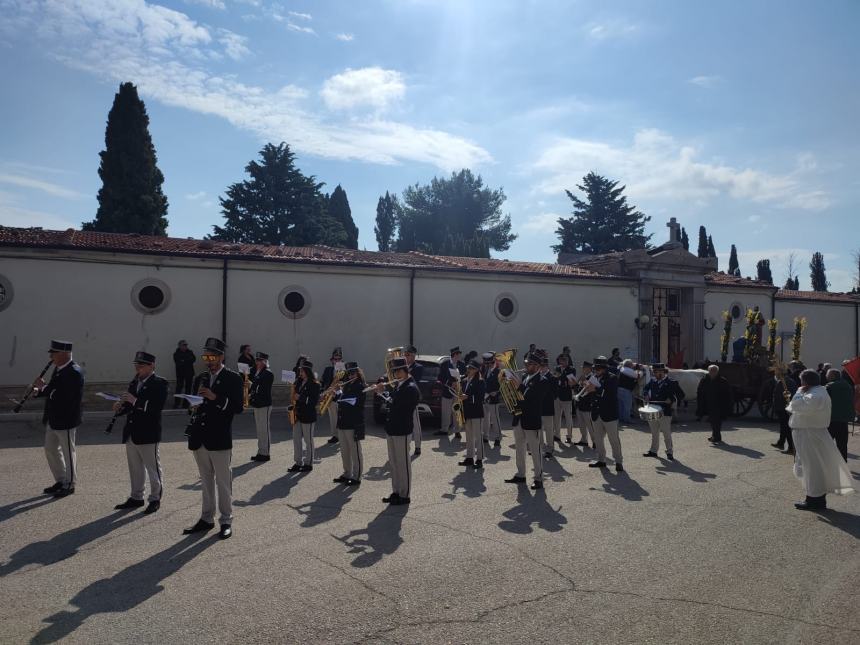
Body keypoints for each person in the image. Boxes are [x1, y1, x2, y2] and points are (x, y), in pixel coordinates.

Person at [184, 337, 243, 540]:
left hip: (219, 438)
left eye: (212, 356)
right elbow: (193, 404)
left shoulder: (233, 378)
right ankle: (206, 518)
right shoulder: (199, 377)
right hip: (199, 437)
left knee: (223, 482)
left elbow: (237, 408)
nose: (208, 361)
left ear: (221, 356)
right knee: (206, 481)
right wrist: (192, 405)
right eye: (206, 356)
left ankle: (226, 520)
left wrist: (214, 397)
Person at [786, 370, 854, 510]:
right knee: (810, 466)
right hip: (808, 433)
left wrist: (796, 396)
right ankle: (815, 498)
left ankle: (814, 500)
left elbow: (801, 406)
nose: (800, 384)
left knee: (813, 467)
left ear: (806, 381)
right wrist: (797, 395)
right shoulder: (816, 391)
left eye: (802, 381)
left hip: (810, 434)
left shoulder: (816, 394)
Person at [113, 351, 168, 514]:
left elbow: (156, 407)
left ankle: (155, 498)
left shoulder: (160, 383)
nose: (138, 368)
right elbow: (130, 406)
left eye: (141, 365)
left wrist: (134, 400)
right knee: (135, 467)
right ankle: (136, 497)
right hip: (132, 430)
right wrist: (120, 408)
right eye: (136, 365)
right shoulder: (134, 382)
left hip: (149, 431)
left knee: (153, 468)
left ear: (152, 366)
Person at [36, 340, 84, 498]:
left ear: (64, 354)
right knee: (50, 449)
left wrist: (44, 389)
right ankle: (61, 479)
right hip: (53, 418)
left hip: (66, 419)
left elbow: (64, 396)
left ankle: (70, 484)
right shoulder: (58, 369)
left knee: (68, 452)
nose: (51, 356)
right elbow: (53, 389)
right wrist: (41, 389)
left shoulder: (74, 372)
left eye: (53, 353)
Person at [377, 357, 419, 505]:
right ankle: (396, 491)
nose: (394, 374)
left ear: (405, 370)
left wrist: (383, 392)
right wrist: (383, 393)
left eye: (397, 371)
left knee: (403, 463)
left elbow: (398, 405)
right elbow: (392, 401)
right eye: (393, 371)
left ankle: (405, 494)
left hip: (402, 429)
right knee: (394, 463)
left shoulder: (411, 387)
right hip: (392, 428)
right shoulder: (399, 385)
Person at [505, 352, 548, 489]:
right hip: (519, 418)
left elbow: (531, 397)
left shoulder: (542, 381)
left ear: (537, 366)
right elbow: (519, 396)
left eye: (529, 364)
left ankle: (538, 478)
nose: (526, 366)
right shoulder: (524, 377)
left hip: (532, 420)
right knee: (519, 448)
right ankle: (521, 474)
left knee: (535, 450)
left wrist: (517, 384)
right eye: (526, 363)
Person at [586, 356, 623, 471]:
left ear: (604, 368)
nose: (596, 371)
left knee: (614, 439)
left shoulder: (612, 378)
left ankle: (618, 461)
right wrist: (586, 388)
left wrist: (594, 389)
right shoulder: (594, 378)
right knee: (598, 439)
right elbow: (592, 395)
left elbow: (610, 394)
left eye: (598, 369)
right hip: (596, 413)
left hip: (609, 414)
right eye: (595, 369)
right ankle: (601, 460)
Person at [642, 363, 685, 460]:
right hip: (652, 410)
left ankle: (669, 451)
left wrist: (672, 399)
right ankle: (653, 451)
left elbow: (681, 395)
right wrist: (646, 395)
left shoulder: (672, 382)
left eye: (659, 372)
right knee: (654, 432)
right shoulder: (652, 381)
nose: (657, 374)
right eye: (655, 372)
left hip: (665, 412)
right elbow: (645, 389)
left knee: (666, 433)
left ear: (664, 372)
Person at [333, 362, 366, 486]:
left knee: (355, 450)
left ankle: (356, 476)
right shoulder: (346, 386)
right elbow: (341, 400)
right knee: (344, 450)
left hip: (353, 422)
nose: (351, 375)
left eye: (353, 373)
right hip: (342, 422)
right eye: (349, 373)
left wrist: (340, 396)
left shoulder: (361, 386)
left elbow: (354, 403)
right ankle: (347, 473)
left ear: (358, 373)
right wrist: (335, 394)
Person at [287, 363, 320, 473]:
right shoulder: (299, 382)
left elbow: (313, 402)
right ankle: (298, 462)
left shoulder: (315, 384)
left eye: (302, 371)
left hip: (308, 415)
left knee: (308, 440)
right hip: (298, 414)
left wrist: (300, 397)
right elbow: (294, 396)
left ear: (307, 372)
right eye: (299, 371)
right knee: (296, 440)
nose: (300, 373)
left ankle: (308, 463)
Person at [459, 359, 486, 469]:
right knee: (469, 436)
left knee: (478, 436)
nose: (468, 370)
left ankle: (479, 459)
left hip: (476, 412)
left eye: (471, 368)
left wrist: (468, 397)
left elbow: (480, 397)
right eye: (468, 368)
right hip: (467, 411)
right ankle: (469, 457)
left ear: (476, 370)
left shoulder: (480, 381)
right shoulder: (464, 380)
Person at [696, 365, 733, 444]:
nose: (712, 372)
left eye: (714, 371)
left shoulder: (723, 381)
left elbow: (728, 394)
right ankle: (716, 436)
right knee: (712, 421)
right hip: (708, 404)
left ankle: (715, 437)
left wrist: (727, 405)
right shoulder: (705, 380)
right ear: (708, 371)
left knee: (716, 421)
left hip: (719, 405)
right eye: (711, 371)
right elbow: (699, 390)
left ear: (717, 372)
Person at [249, 351, 274, 462]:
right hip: (257, 403)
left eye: (259, 360)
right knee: (259, 430)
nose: (257, 362)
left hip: (264, 404)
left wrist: (251, 385)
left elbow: (262, 388)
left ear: (264, 362)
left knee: (264, 429)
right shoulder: (256, 372)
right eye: (256, 360)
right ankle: (260, 451)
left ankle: (266, 453)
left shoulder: (268, 373)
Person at [436, 347, 465, 438]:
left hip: (457, 392)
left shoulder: (462, 364)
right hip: (447, 391)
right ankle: (444, 429)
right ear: (454, 355)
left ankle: (457, 430)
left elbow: (465, 376)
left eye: (459, 354)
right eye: (458, 354)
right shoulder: (445, 364)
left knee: (456, 411)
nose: (459, 356)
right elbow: (440, 377)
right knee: (446, 412)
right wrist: (450, 383)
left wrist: (459, 382)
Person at [825, 368, 853, 462]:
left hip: (831, 419)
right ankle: (843, 463)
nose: (826, 376)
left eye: (828, 374)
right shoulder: (848, 385)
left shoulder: (829, 386)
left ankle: (828, 463)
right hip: (844, 419)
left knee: (826, 443)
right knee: (842, 444)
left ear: (832, 376)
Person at [771, 370, 799, 454]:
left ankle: (790, 447)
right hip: (786, 408)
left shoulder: (783, 382)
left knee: (786, 428)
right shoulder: (791, 381)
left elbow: (779, 396)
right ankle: (781, 442)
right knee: (783, 428)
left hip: (783, 408)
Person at [537, 350, 557, 458]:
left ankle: (550, 449)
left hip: (548, 408)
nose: (541, 368)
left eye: (543, 366)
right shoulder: (537, 377)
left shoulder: (552, 378)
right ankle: (540, 448)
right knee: (538, 430)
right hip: (539, 408)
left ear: (547, 366)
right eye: (540, 366)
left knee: (549, 430)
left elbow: (555, 394)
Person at [321, 347, 343, 445]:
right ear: (332, 360)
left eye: (339, 359)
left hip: (341, 397)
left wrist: (339, 389)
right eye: (335, 359)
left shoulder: (345, 369)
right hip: (330, 397)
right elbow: (322, 382)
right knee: (333, 418)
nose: (337, 361)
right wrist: (323, 392)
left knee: (341, 417)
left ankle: (342, 435)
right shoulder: (328, 369)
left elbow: (346, 383)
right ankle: (335, 435)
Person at [404, 345, 424, 455]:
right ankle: (405, 445)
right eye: (405, 354)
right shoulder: (401, 366)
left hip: (412, 398)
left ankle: (418, 446)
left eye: (408, 355)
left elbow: (415, 380)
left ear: (413, 356)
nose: (406, 357)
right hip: (402, 398)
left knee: (415, 423)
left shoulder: (418, 367)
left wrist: (404, 370)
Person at [482, 352, 503, 449]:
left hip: (494, 399)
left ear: (492, 362)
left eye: (489, 364)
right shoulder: (486, 370)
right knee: (485, 419)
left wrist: (497, 393)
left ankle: (497, 438)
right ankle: (485, 436)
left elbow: (503, 386)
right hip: (485, 398)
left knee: (495, 419)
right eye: (486, 364)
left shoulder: (499, 371)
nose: (487, 366)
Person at [554, 354, 576, 444]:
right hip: (557, 396)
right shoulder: (557, 368)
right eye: (561, 360)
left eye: (565, 360)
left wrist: (560, 376)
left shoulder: (571, 369)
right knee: (557, 417)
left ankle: (569, 436)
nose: (563, 362)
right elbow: (555, 379)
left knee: (568, 417)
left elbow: (571, 381)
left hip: (566, 397)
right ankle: (557, 435)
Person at [573, 361, 595, 447]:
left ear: (589, 369)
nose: (582, 369)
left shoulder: (592, 378)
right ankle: (584, 440)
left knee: (590, 425)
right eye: (582, 368)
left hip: (587, 405)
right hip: (580, 404)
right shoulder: (582, 377)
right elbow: (578, 389)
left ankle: (595, 441)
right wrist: (575, 384)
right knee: (581, 424)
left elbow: (590, 392)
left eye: (584, 368)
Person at [173, 340, 196, 409]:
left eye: (186, 345)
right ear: (179, 346)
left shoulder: (190, 352)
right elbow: (179, 362)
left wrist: (184, 360)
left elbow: (193, 359)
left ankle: (185, 404)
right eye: (183, 345)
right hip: (180, 373)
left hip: (189, 373)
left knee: (188, 389)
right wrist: (187, 360)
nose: (185, 346)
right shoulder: (176, 353)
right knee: (179, 388)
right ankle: (176, 404)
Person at [616, 359, 640, 424]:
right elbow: (637, 376)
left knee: (620, 405)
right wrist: (638, 369)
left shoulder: (621, 368)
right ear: (629, 365)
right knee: (627, 405)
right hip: (626, 390)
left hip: (619, 389)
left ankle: (621, 419)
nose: (633, 365)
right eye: (632, 364)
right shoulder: (628, 370)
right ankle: (627, 419)